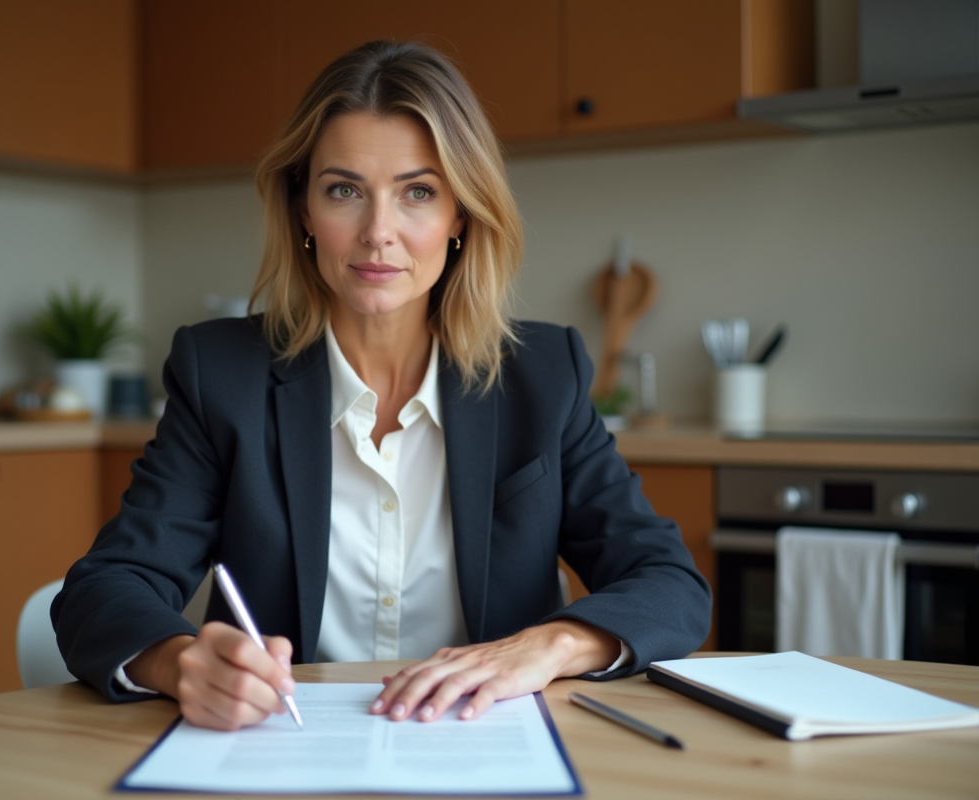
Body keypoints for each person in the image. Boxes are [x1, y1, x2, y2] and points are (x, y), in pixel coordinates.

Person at [52, 40, 710, 731]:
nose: (378, 233)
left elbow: (670, 584)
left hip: (488, 743)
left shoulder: (542, 375)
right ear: (303, 208)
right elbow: (105, 588)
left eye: (418, 193)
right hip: (283, 749)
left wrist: (546, 646)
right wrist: (178, 660)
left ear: (461, 216)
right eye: (344, 191)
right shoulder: (220, 374)